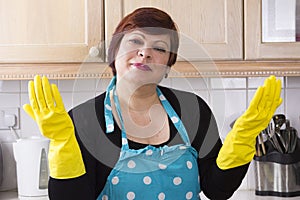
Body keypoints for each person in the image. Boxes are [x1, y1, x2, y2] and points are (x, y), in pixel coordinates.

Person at [23, 7, 282, 200]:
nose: (145, 52)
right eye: (135, 41)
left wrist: (244, 138)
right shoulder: (84, 120)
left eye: (159, 48)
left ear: (169, 63)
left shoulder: (192, 110)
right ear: (115, 52)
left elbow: (217, 190)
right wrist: (62, 145)